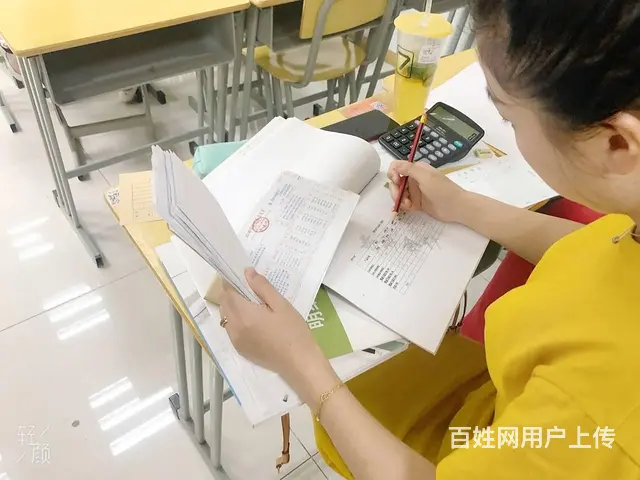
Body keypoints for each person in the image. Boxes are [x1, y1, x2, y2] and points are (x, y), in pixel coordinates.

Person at [219, 0, 640, 477]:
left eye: (510, 119)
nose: (512, 130)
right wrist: (461, 204)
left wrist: (300, 366)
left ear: (616, 144)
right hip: (506, 394)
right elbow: (595, 244)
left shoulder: (598, 412)